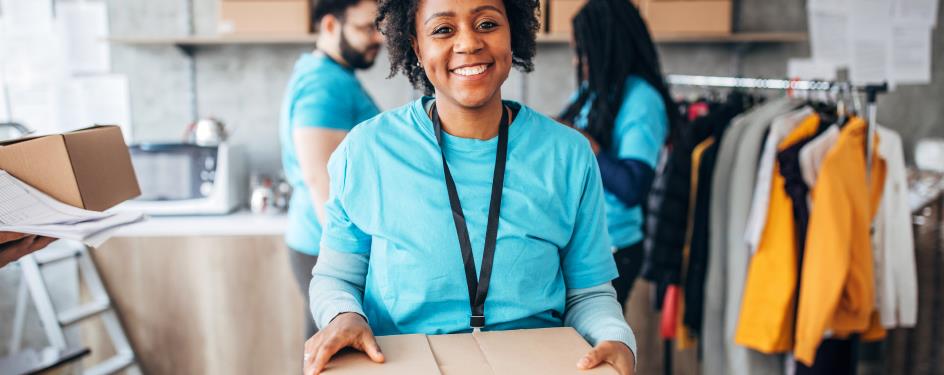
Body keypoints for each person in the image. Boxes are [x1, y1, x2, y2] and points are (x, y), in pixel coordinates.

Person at [302, 0, 637, 374]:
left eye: (487, 23)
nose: (469, 43)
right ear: (416, 46)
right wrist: (343, 315)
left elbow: (589, 293)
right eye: (443, 30)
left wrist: (615, 337)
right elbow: (336, 277)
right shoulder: (365, 151)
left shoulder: (570, 155)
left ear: (513, 33)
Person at [557, 0, 677, 306]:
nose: (576, 61)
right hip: (581, 244)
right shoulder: (592, 91)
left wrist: (584, 145)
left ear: (605, 46)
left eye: (582, 50)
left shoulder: (642, 100)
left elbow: (631, 186)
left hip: (614, 250)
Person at [278, 0, 384, 339]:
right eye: (366, 28)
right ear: (328, 26)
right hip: (324, 244)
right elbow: (318, 175)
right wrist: (340, 260)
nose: (378, 38)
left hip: (316, 241)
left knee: (327, 347)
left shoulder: (329, 74)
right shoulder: (325, 84)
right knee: (336, 347)